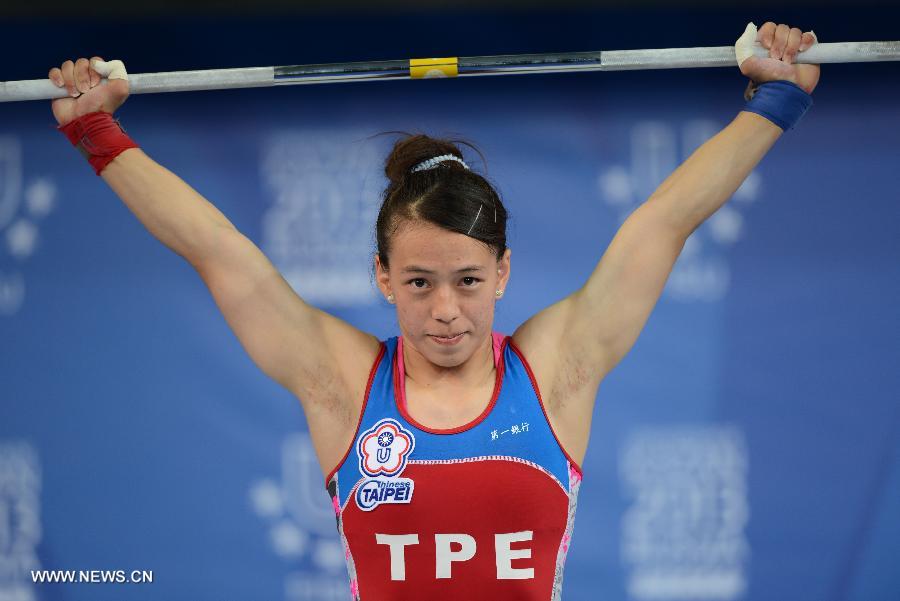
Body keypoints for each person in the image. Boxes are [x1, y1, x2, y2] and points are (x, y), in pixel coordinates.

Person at [48, 20, 819, 601]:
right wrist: (95, 128)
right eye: (419, 282)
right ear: (382, 277)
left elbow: (665, 218)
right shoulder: (341, 382)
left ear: (503, 271)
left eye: (468, 281)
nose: (446, 310)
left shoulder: (559, 366)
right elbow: (217, 248)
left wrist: (775, 97)